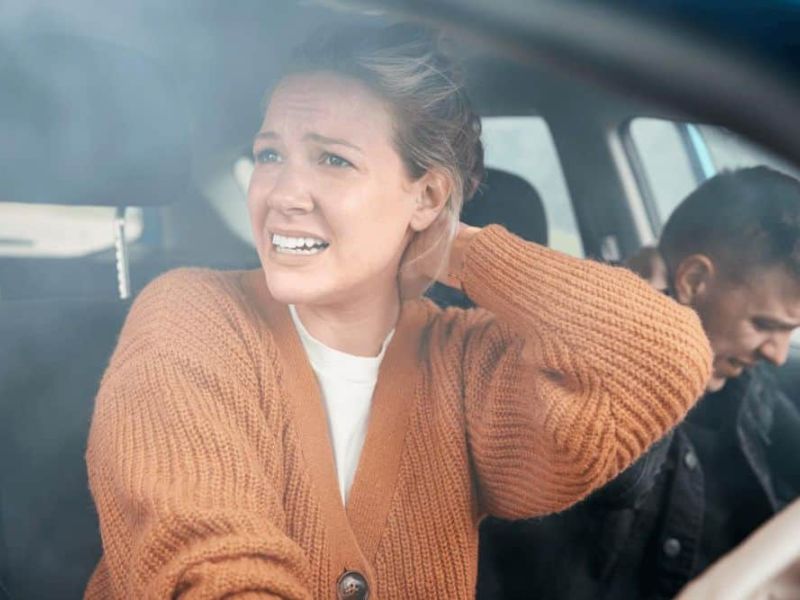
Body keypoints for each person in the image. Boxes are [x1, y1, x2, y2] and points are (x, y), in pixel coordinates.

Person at [84, 24, 710, 599]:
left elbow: (662, 355)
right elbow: (206, 570)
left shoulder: (464, 361)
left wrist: (456, 247)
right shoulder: (191, 314)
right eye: (270, 154)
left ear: (429, 193)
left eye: (333, 159)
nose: (281, 194)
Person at [478, 166, 800, 600]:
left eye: (789, 332)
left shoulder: (749, 386)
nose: (776, 354)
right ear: (693, 281)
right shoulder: (562, 370)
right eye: (763, 324)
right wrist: (635, 331)